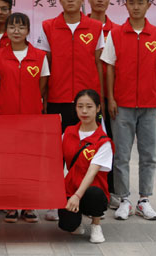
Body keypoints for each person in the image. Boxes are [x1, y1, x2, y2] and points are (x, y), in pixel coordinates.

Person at [37, 0, 104, 221]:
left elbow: (99, 63)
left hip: (87, 103)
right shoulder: (48, 27)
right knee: (56, 152)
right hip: (58, 98)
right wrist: (44, 97)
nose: (71, 0)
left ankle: (85, 197)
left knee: (87, 151)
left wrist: (100, 98)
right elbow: (45, 64)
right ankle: (54, 199)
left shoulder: (95, 27)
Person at [102, 0, 156, 221]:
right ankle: (124, 199)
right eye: (131, 2)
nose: (136, 7)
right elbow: (109, 67)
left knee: (149, 155)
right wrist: (111, 98)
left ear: (149, 4)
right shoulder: (115, 34)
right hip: (122, 105)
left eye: (140, 2)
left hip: (149, 105)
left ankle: (144, 200)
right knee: (121, 156)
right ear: (125, 4)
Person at [0, 12, 48, 223]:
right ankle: (10, 204)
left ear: (28, 31)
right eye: (12, 27)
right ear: (6, 30)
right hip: (6, 117)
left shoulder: (40, 56)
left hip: (32, 118)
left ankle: (29, 205)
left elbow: (42, 87)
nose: (16, 31)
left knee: (29, 161)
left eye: (21, 27)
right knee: (8, 160)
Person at [58, 89, 112, 244]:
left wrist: (77, 196)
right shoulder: (68, 133)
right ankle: (77, 220)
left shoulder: (103, 141)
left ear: (98, 108)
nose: (84, 111)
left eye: (89, 106)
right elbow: (54, 159)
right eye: (80, 106)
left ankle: (96, 224)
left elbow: (91, 173)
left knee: (95, 194)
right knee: (67, 225)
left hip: (92, 190)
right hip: (71, 188)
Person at [86, 0, 116, 206]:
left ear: (109, 0)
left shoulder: (117, 30)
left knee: (108, 142)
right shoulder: (83, 26)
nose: (99, 0)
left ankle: (111, 190)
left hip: (110, 95)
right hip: (87, 96)